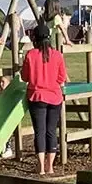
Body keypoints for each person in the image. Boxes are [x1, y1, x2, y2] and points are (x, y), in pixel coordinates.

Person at [21, 24, 69, 176]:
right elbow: (62, 77)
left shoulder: (30, 55)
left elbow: (24, 77)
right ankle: (50, 167)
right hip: (55, 97)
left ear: (35, 38)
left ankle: (41, 166)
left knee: (39, 132)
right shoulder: (57, 55)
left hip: (36, 96)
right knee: (51, 132)